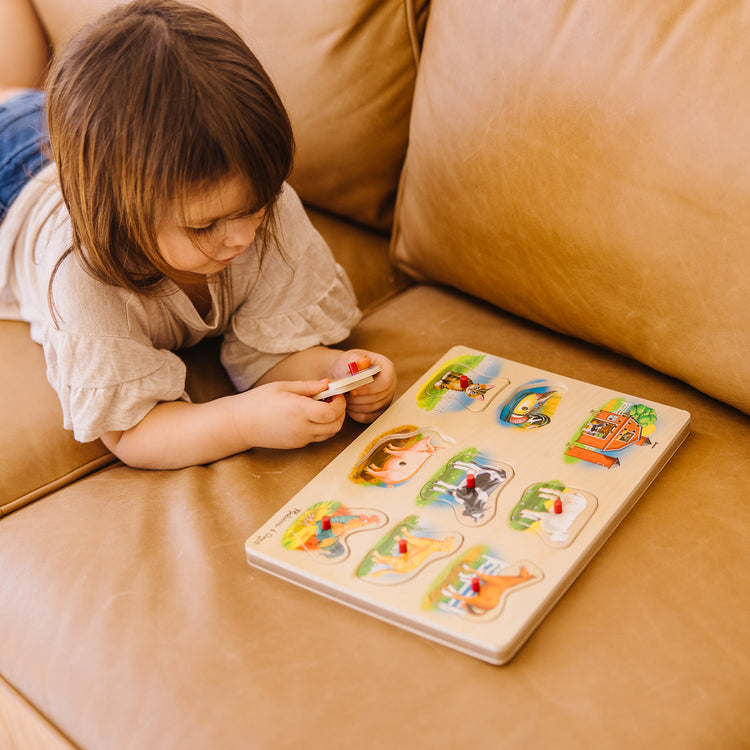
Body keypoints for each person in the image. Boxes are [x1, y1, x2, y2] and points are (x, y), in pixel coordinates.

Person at [0, 0, 396, 470]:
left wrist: (335, 374)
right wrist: (241, 422)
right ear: (120, 218)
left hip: (74, 135)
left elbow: (271, 353)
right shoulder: (82, 272)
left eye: (256, 207)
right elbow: (132, 432)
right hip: (14, 180)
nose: (243, 237)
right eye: (204, 226)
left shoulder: (261, 205)